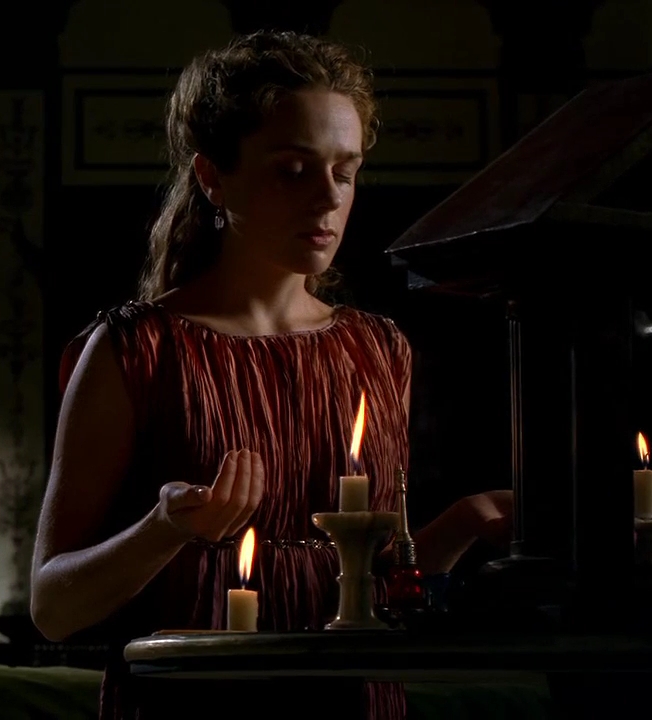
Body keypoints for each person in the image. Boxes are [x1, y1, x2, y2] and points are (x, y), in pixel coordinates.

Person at [30, 31, 513, 719]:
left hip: (353, 705)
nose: (327, 198)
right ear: (212, 177)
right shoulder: (136, 349)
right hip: (195, 708)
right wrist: (164, 529)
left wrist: (464, 523)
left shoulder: (378, 350)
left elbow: (378, 589)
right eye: (292, 169)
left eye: (345, 171)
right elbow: (53, 608)